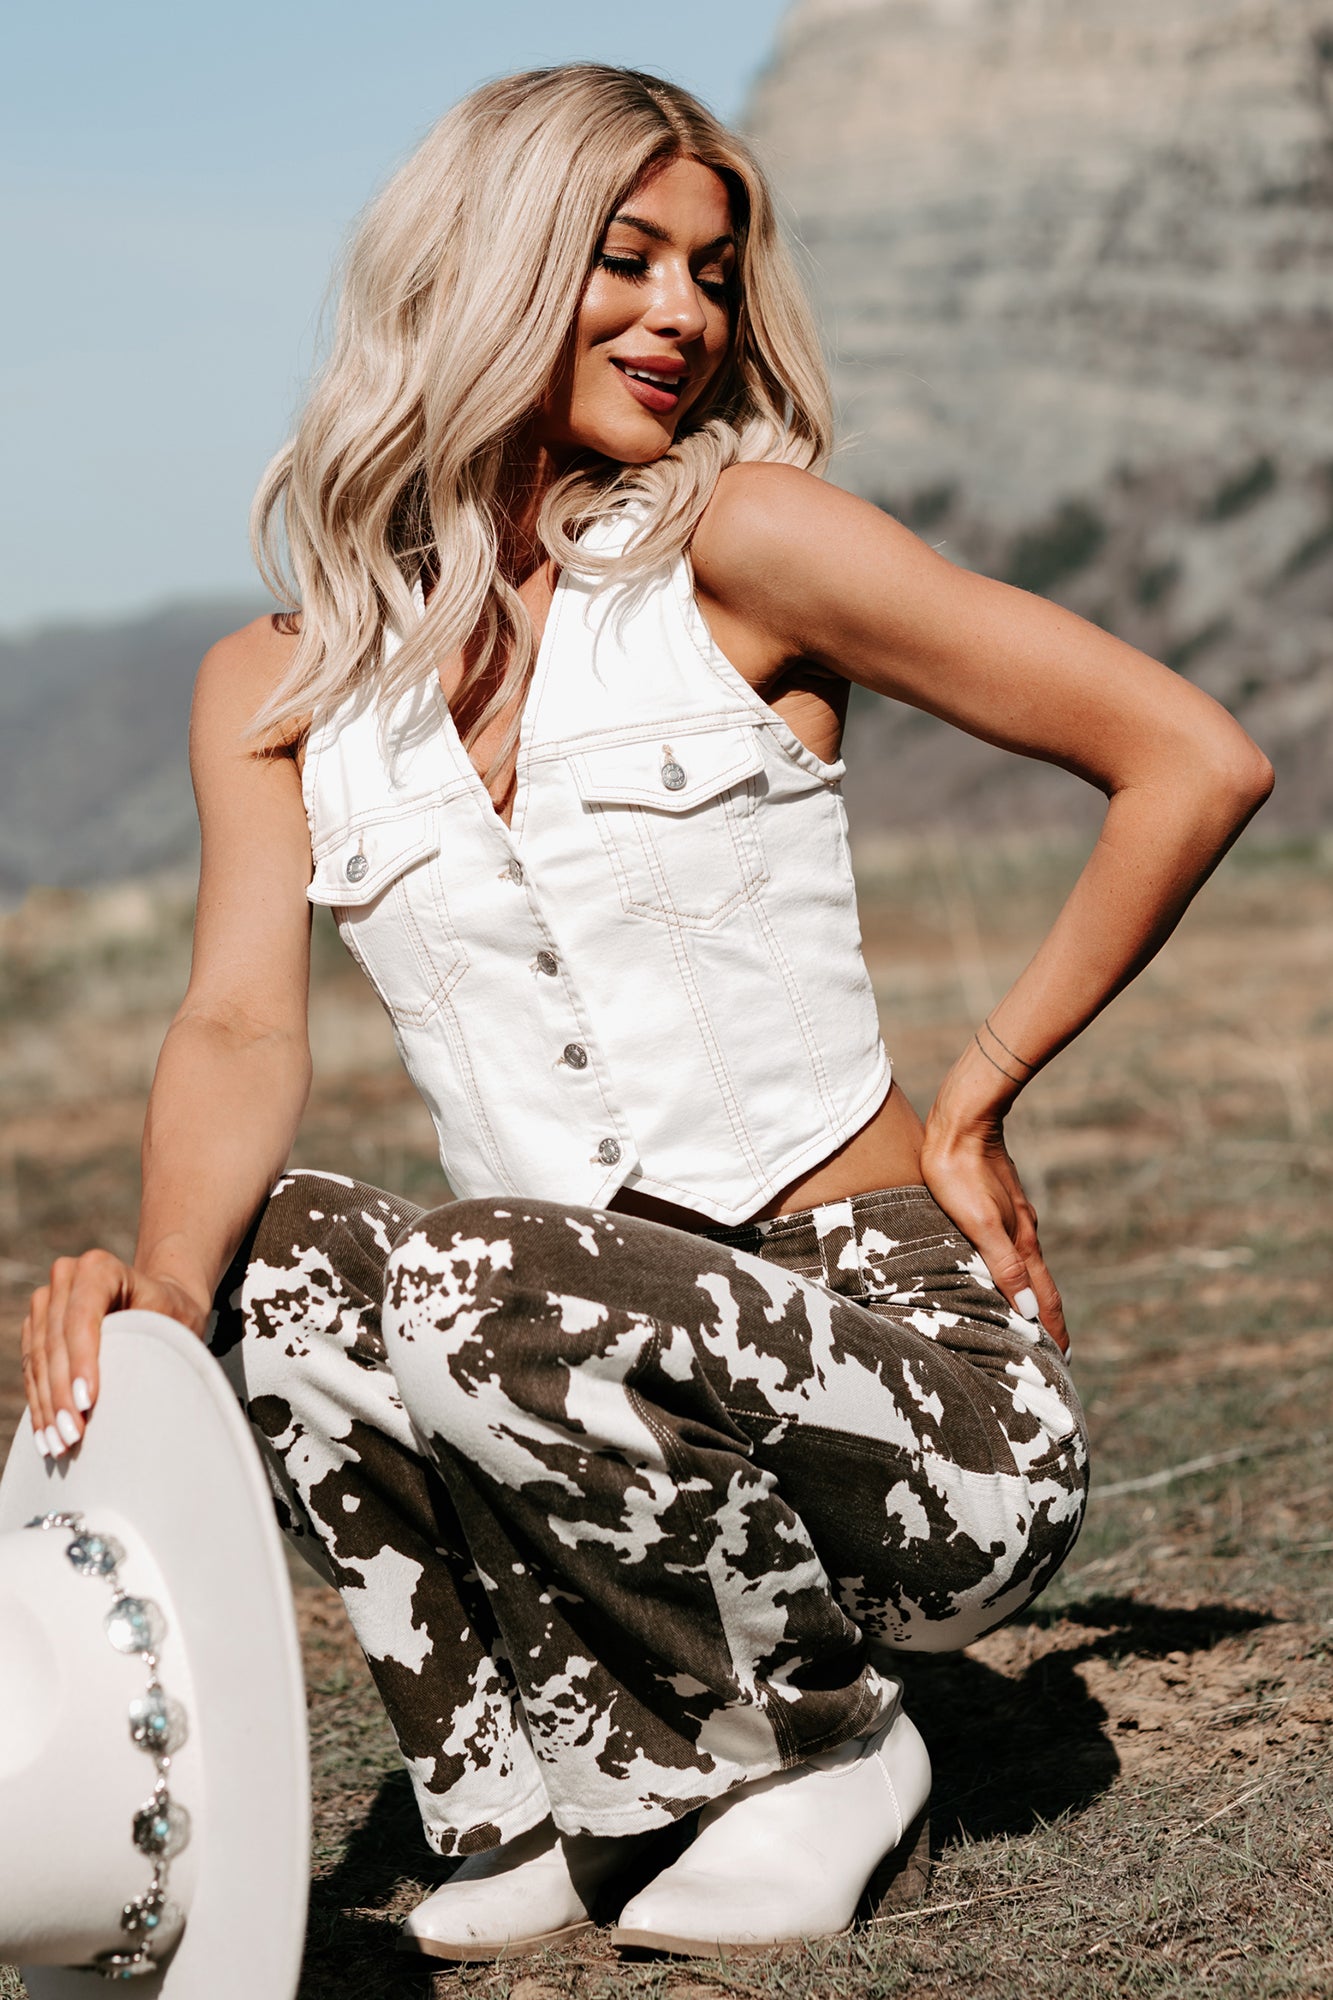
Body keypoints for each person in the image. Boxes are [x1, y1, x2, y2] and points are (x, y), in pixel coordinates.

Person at [20, 63, 1272, 1963]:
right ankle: (525, 1785)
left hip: (917, 1412)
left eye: (710, 270)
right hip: (560, 1356)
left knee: (479, 1273)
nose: (681, 314)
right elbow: (238, 1027)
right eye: (626, 259)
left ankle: (811, 1746)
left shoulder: (746, 547)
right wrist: (169, 1313)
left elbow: (1188, 756)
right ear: (485, 267)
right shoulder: (280, 683)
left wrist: (976, 1097)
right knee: (276, 1271)